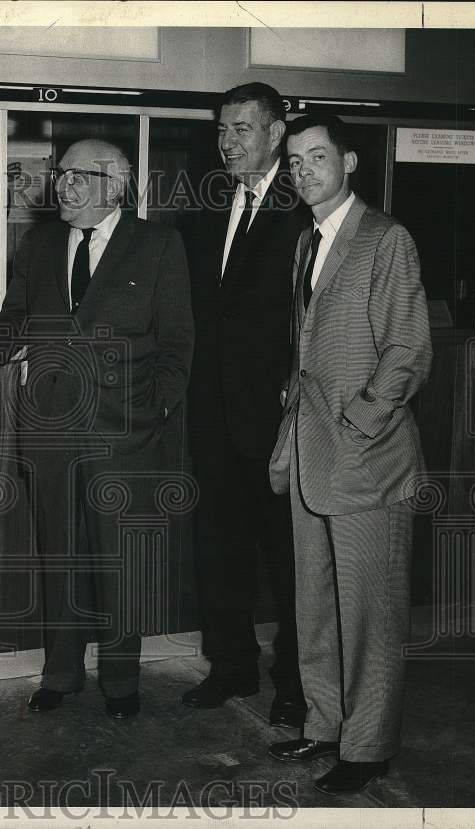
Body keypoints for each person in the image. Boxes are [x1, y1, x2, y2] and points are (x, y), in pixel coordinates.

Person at [0, 139, 194, 720]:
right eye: (61, 176)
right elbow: (15, 319)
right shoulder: (39, 242)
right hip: (51, 430)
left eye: (77, 176)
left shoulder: (158, 245)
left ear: (116, 183)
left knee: (118, 561)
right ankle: (60, 674)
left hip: (125, 433)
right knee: (59, 554)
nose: (63, 186)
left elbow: (178, 343)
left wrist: (152, 410)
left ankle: (121, 681)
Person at [267, 113, 432, 795]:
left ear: (351, 160)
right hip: (313, 453)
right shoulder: (307, 241)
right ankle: (325, 722)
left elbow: (408, 351)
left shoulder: (387, 238)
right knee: (316, 603)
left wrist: (360, 423)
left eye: (318, 157)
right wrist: (293, 391)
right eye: (296, 161)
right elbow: (313, 343)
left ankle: (369, 745)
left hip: (368, 458)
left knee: (371, 609)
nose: (305, 171)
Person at [185, 82, 309, 727]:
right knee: (220, 551)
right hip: (212, 416)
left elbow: (312, 314)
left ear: (275, 133)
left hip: (277, 419)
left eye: (241, 129)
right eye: (222, 130)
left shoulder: (305, 207)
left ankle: (295, 682)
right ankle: (230, 666)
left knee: (289, 562)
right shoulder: (212, 207)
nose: (227, 142)